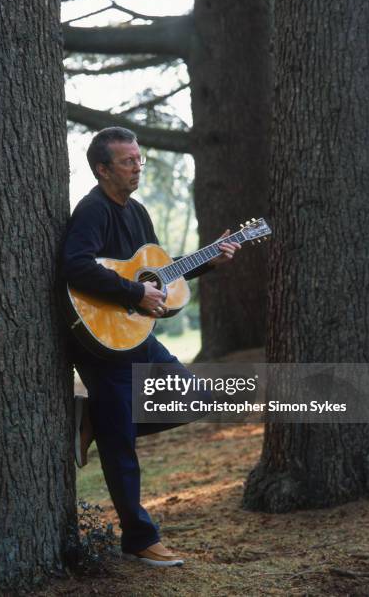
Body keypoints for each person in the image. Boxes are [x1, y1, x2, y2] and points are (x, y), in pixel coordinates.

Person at [62, 127, 240, 567]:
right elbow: (75, 265)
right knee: (123, 446)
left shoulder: (137, 211)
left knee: (195, 398)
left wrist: (207, 261)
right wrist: (133, 295)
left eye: (139, 159)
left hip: (136, 332)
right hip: (102, 340)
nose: (138, 166)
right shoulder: (92, 210)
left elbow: (155, 275)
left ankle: (98, 421)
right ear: (103, 169)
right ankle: (139, 538)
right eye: (128, 161)